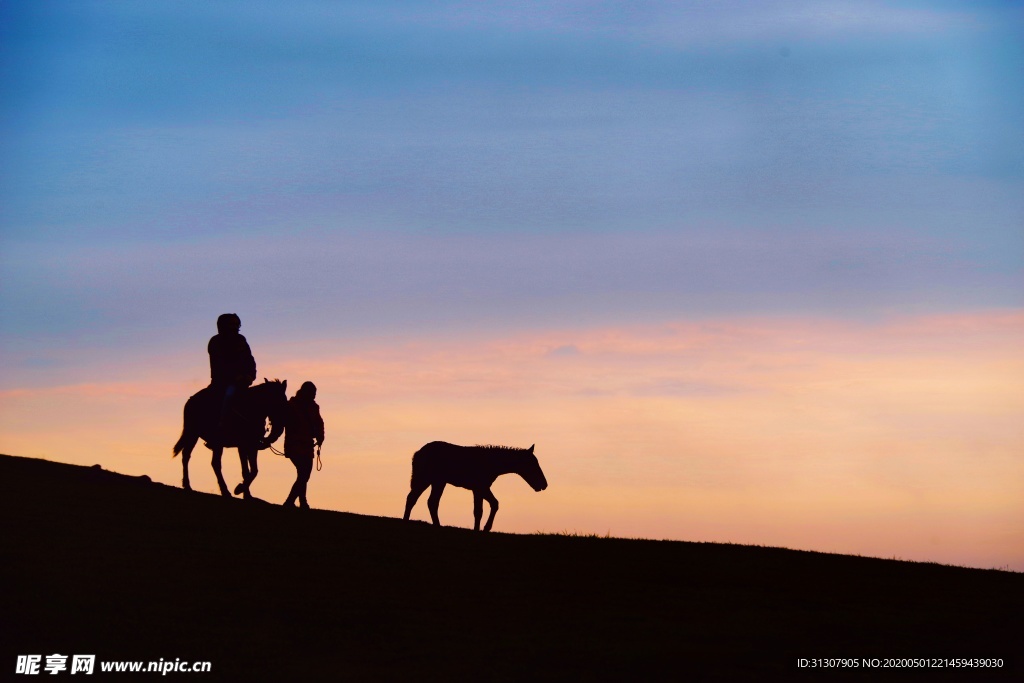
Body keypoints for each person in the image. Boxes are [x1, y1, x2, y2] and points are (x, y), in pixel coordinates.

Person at [208, 313, 257, 442]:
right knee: (223, 401)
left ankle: (257, 433)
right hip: (222, 383)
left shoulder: (241, 340)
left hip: (243, 383)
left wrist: (250, 376)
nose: (235, 327)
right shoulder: (216, 341)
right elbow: (220, 363)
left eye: (236, 324)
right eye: (232, 324)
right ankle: (217, 431)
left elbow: (250, 359)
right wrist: (235, 376)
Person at [284, 381, 325, 509]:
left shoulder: (313, 407)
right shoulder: (292, 405)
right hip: (295, 445)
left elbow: (319, 423)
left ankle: (301, 502)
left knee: (303, 474)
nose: (314, 395)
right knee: (304, 474)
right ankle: (290, 502)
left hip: (307, 446)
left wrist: (320, 436)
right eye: (313, 393)